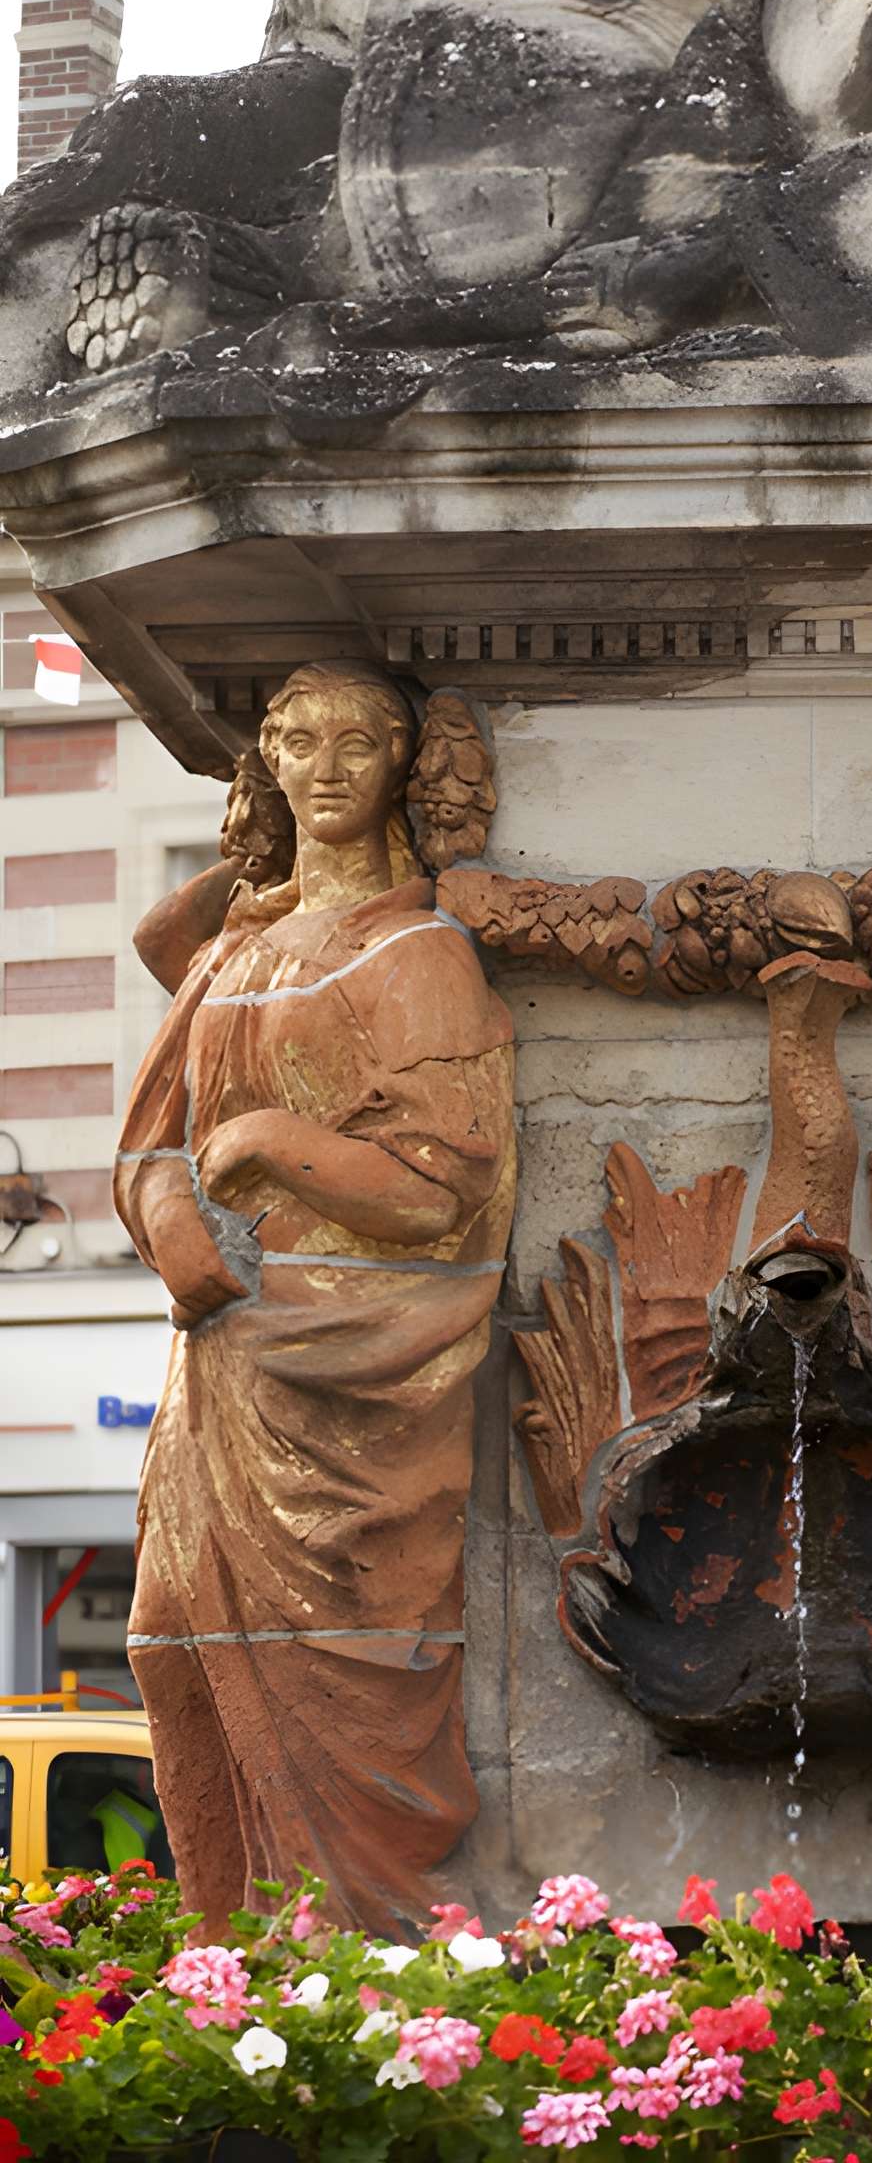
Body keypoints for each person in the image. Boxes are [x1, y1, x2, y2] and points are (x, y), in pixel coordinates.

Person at [115, 662, 515, 1936]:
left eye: (359, 743)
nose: (327, 768)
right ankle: (223, 1957)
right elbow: (151, 1141)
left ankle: (355, 1958)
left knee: (321, 1668)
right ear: (269, 765)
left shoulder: (417, 952)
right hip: (222, 1354)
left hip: (351, 1360)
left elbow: (439, 1186)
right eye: (297, 743)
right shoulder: (239, 949)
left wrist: (276, 1140)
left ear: (403, 765)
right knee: (168, 1649)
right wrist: (178, 1222)